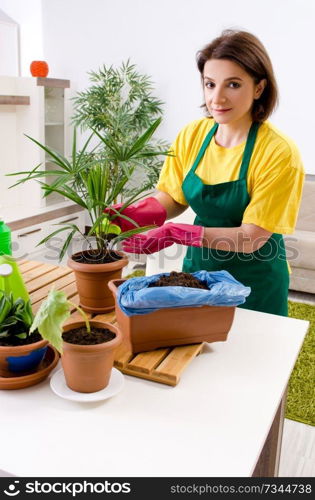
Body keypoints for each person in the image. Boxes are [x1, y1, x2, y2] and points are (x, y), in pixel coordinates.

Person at [108, 29, 305, 317]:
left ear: (259, 88)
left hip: (255, 280)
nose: (218, 98)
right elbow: (173, 197)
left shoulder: (278, 152)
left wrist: (177, 233)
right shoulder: (193, 135)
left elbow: (251, 238)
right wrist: (136, 214)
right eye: (210, 84)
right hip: (199, 272)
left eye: (233, 84)